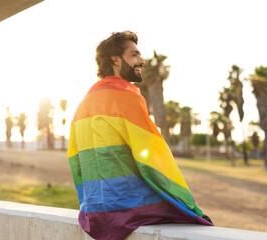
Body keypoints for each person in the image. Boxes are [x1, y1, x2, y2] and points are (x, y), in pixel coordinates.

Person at [67, 31, 213, 240]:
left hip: (94, 212)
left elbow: (75, 159)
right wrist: (189, 205)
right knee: (195, 218)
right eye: (134, 55)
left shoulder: (84, 103)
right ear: (115, 59)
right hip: (126, 209)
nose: (141, 61)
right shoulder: (127, 97)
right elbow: (154, 158)